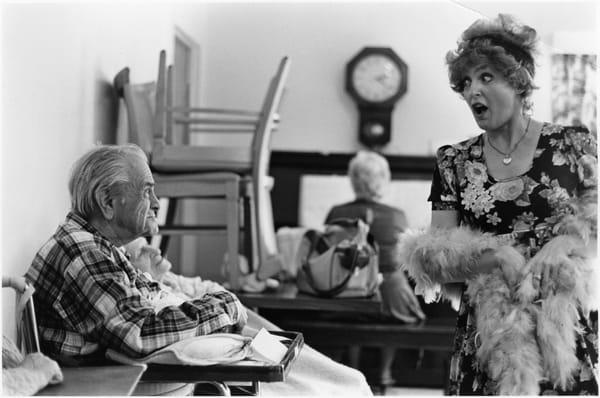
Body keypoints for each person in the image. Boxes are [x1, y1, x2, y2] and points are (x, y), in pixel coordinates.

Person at [26, 144, 372, 396]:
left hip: (122, 368)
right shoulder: (83, 253)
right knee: (322, 382)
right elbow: (140, 336)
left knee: (327, 378)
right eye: (148, 192)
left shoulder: (97, 245)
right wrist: (224, 306)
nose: (158, 203)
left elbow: (134, 308)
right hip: (106, 380)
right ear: (107, 202)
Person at [399, 14, 597, 395]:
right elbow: (436, 261)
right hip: (490, 335)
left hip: (562, 329)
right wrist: (497, 257)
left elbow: (597, 225)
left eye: (486, 77)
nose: (473, 90)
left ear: (519, 81)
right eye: (466, 82)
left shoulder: (572, 146)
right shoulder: (453, 161)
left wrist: (564, 244)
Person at [324, 150, 426, 388]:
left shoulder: (336, 213)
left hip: (347, 294)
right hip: (391, 297)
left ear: (354, 180)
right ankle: (384, 371)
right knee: (394, 307)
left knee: (353, 310)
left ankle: (354, 368)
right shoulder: (397, 215)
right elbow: (403, 260)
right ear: (383, 180)